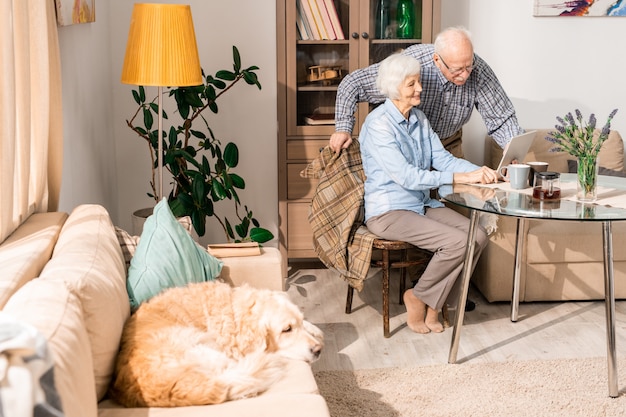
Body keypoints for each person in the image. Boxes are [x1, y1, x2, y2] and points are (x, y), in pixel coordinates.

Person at [359, 53, 497, 333]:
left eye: (418, 81)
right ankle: (420, 298)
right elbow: (407, 176)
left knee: (478, 236)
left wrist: (481, 171)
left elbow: (444, 159)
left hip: (420, 204)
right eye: (412, 84)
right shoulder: (378, 125)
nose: (420, 88)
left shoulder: (419, 118)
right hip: (389, 211)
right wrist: (460, 178)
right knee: (458, 242)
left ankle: (432, 301)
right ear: (395, 87)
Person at [330, 26, 525, 157]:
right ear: (437, 59)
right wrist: (342, 128)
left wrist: (513, 153)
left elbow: (502, 119)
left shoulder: (478, 70)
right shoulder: (414, 63)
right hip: (406, 144)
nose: (465, 75)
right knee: (414, 209)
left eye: (468, 66)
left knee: (458, 208)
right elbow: (352, 83)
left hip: (448, 144)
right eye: (457, 70)